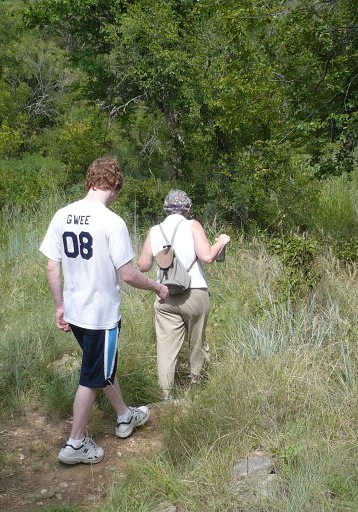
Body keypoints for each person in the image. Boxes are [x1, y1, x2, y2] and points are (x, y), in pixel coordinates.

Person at [40, 156, 169, 465]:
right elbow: (127, 274)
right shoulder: (112, 221)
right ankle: (75, 444)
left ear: (90, 182)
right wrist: (156, 287)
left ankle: (125, 416)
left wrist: (60, 306)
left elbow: (51, 268)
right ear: (115, 186)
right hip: (101, 316)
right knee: (92, 376)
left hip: (76, 312)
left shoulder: (62, 215)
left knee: (100, 366)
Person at [137, 189, 230, 400]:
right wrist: (222, 240)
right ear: (187, 208)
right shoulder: (192, 225)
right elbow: (206, 256)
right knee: (196, 340)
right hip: (194, 292)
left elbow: (143, 266)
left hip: (165, 295)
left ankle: (166, 395)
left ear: (166, 209)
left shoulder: (155, 230)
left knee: (166, 348)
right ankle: (196, 385)